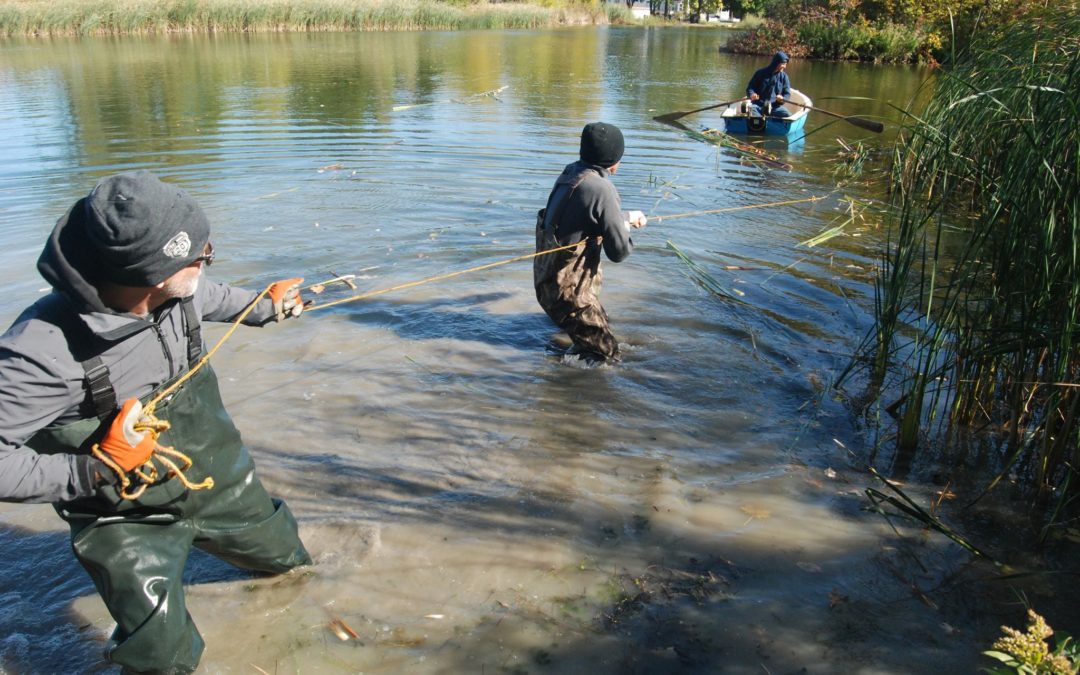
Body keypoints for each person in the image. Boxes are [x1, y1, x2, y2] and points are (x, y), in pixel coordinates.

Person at [0, 171, 312, 673]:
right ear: (149, 275)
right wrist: (94, 471)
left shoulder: (181, 289)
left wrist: (265, 306)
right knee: (160, 659)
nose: (209, 257)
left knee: (293, 567)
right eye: (201, 255)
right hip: (123, 519)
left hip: (222, 479)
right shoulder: (38, 353)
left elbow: (214, 297)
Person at [533, 122, 647, 364]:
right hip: (569, 296)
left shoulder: (571, 173)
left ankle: (568, 355)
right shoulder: (602, 188)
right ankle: (566, 382)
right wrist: (623, 230)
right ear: (612, 158)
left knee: (602, 330)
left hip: (547, 285)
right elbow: (619, 252)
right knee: (610, 357)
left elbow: (584, 216)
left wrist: (625, 217)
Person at [746, 51, 792, 118]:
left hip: (775, 107)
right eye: (783, 64)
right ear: (776, 63)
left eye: (785, 64)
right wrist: (752, 94)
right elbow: (750, 88)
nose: (785, 67)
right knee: (753, 113)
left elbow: (787, 93)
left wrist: (783, 98)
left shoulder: (784, 77)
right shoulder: (760, 73)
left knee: (788, 115)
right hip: (758, 106)